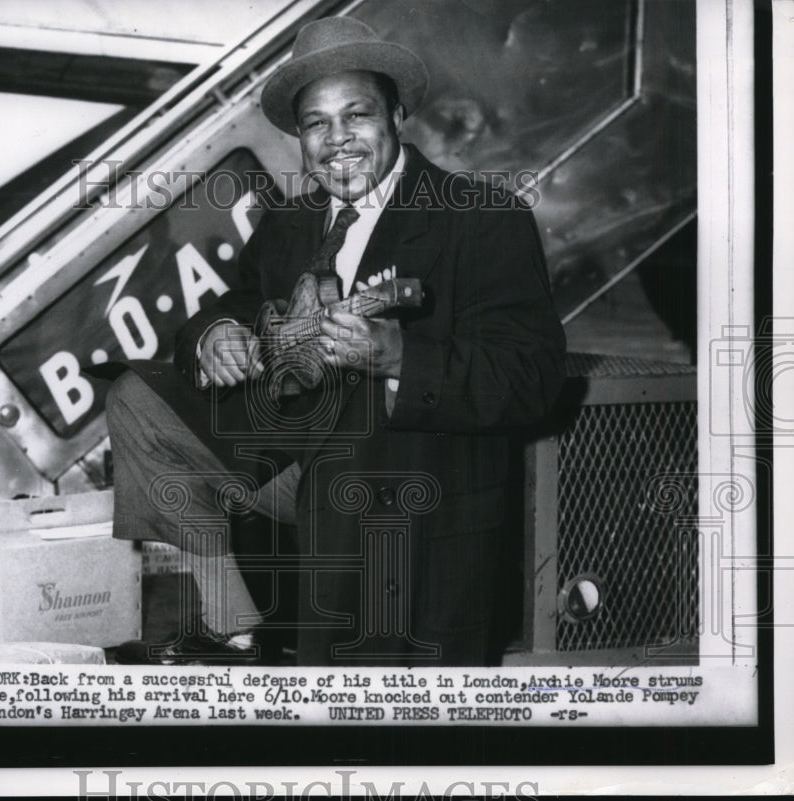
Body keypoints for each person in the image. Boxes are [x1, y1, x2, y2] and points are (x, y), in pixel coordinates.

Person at [106, 16, 565, 666]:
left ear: (397, 116)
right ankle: (233, 624)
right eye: (316, 123)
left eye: (357, 115)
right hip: (289, 459)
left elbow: (535, 376)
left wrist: (402, 357)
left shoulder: (482, 218)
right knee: (137, 398)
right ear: (299, 136)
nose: (337, 140)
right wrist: (215, 334)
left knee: (353, 419)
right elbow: (236, 300)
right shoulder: (292, 220)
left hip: (406, 489)